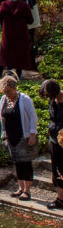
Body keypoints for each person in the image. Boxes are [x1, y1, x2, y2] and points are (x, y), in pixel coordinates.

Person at [0, 75, 38, 200]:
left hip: (24, 136)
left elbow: (33, 117)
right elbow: (3, 116)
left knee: (25, 163)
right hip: (10, 136)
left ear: (15, 88)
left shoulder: (25, 99)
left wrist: (32, 134)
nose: (7, 94)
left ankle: (27, 190)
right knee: (17, 163)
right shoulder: (3, 99)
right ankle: (21, 187)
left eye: (9, 92)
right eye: (5, 92)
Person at [0, 0, 37, 78]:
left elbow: (0, 18)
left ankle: (0, 73)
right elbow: (30, 20)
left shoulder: (4, 4)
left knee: (5, 53)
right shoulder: (24, 6)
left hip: (8, 34)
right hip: (21, 34)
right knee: (20, 54)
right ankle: (18, 75)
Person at [39, 79, 63, 209]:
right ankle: (60, 197)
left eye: (48, 94)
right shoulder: (52, 101)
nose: (47, 97)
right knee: (56, 168)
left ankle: (61, 198)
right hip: (54, 139)